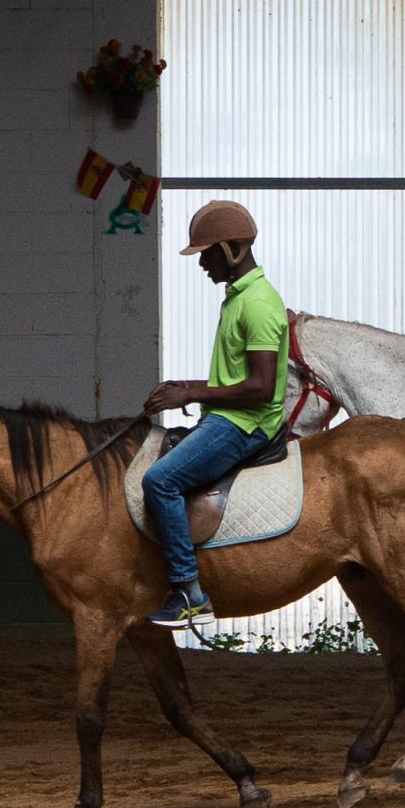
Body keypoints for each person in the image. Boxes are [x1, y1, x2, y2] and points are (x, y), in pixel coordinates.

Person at [140, 200, 291, 627]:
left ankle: (189, 593)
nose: (202, 263)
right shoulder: (236, 298)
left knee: (161, 481)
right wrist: (186, 391)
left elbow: (261, 387)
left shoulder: (259, 304)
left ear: (232, 251)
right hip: (225, 416)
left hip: (246, 424)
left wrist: (187, 390)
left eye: (207, 253)